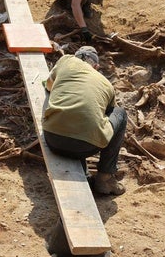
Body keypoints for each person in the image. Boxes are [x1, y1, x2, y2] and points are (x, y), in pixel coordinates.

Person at [43, 46, 127, 195]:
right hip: (86, 147)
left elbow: (49, 85)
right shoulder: (106, 84)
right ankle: (105, 178)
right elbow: (104, 113)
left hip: (53, 139)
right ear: (96, 66)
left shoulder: (66, 60)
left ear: (76, 56)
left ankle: (87, 175)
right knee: (119, 113)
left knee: (78, 119)